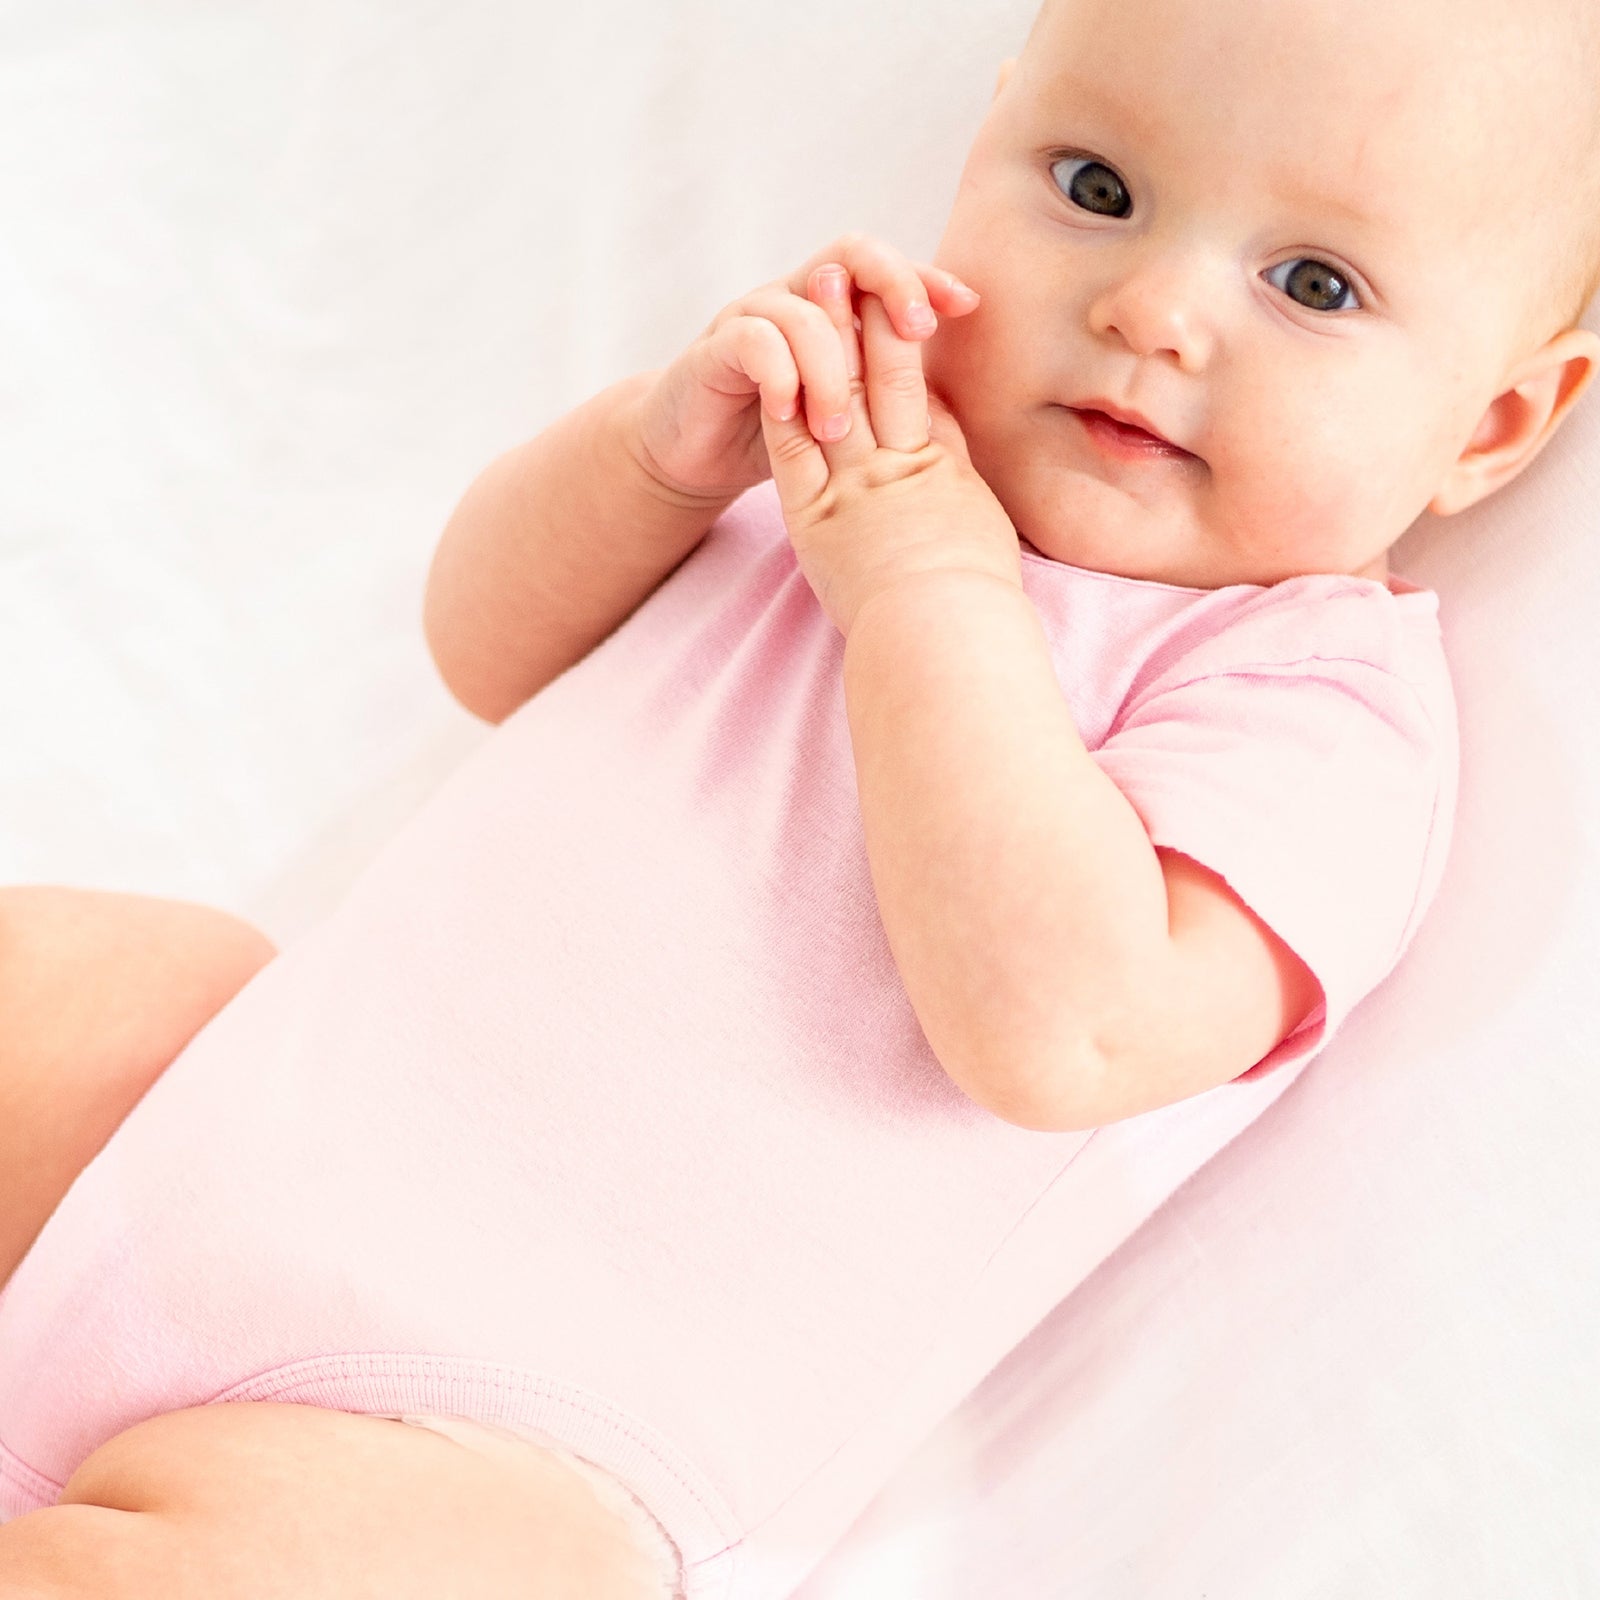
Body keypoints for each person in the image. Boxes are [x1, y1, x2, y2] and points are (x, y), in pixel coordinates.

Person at [3, 0, 1598, 1593]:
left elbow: (1067, 1031)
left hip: (518, 1440)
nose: (1155, 308)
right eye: (1097, 188)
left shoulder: (1314, 698)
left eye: (1313, 284)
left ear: (1495, 423)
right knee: (105, 982)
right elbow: (485, 652)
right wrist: (654, 459)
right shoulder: (848, 457)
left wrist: (922, 585)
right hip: (230, 1116)